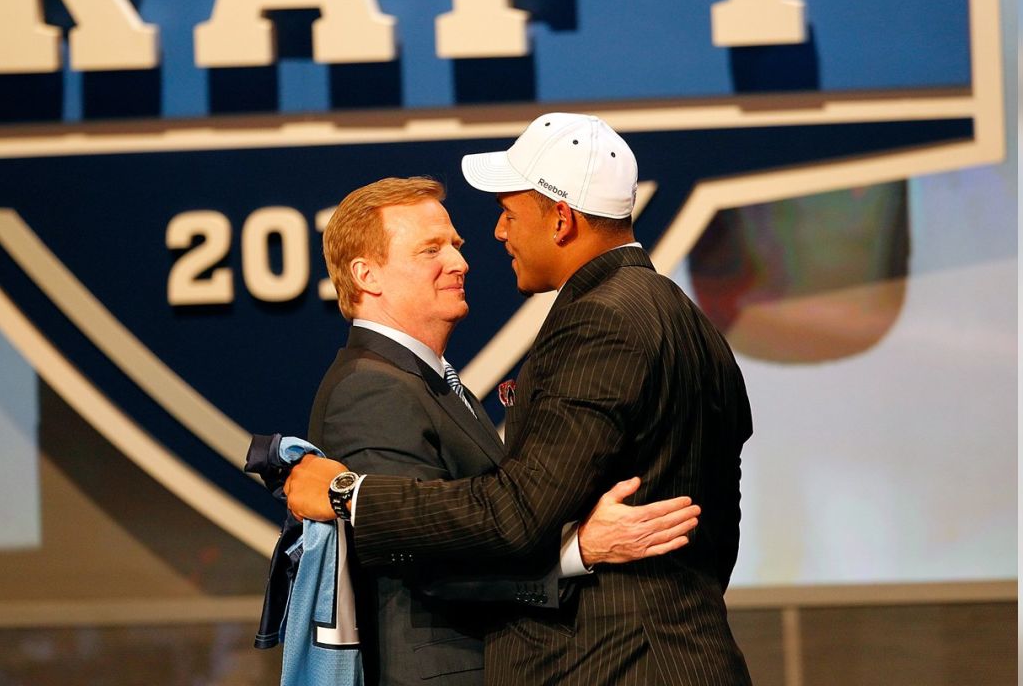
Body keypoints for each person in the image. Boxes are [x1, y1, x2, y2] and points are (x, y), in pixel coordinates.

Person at [287, 113, 755, 685]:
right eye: (431, 249)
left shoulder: (600, 320)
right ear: (367, 275)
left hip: (620, 665)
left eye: (510, 214)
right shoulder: (685, 318)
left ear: (561, 220)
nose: (493, 238)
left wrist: (346, 497)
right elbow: (718, 524)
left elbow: (514, 515)